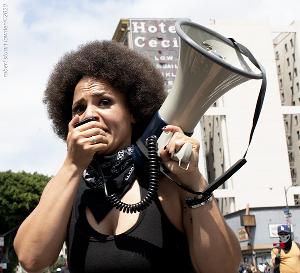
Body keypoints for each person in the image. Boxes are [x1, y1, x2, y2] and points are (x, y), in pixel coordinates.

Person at [13, 40, 241, 273]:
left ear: (132, 111)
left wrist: (195, 182)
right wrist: (72, 165)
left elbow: (223, 268)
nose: (89, 115)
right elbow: (32, 259)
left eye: (104, 102)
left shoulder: (168, 183)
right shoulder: (66, 186)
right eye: (79, 108)